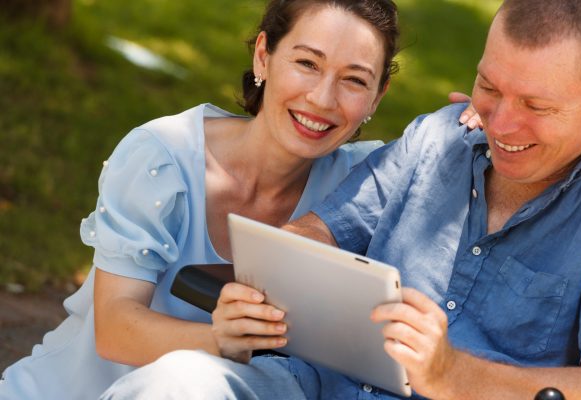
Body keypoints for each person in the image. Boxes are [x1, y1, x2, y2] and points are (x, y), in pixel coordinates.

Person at [100, 0, 581, 399]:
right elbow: (319, 232)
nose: (502, 124)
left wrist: (450, 373)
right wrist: (271, 270)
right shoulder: (444, 135)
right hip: (310, 385)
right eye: (490, 87)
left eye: (537, 106)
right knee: (175, 383)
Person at [0, 0, 468, 398]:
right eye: (307, 63)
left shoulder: (364, 182)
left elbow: (438, 156)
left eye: (354, 80)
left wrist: (483, 123)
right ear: (263, 56)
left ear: (378, 97)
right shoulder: (164, 157)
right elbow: (115, 328)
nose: (323, 99)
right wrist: (219, 340)